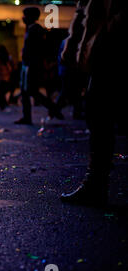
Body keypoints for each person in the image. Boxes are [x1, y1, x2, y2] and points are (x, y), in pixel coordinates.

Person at [60, 0, 127, 207]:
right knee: (97, 114)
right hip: (102, 48)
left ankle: (95, 184)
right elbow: (83, 10)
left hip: (110, 44)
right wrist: (74, 46)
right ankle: (95, 183)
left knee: (100, 114)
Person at [15, 7, 64, 125]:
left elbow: (37, 50)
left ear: (31, 17)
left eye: (25, 15)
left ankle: (53, 108)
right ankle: (30, 116)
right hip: (28, 65)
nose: (23, 18)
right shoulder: (32, 29)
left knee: (31, 91)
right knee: (27, 91)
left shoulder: (35, 30)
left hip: (31, 66)